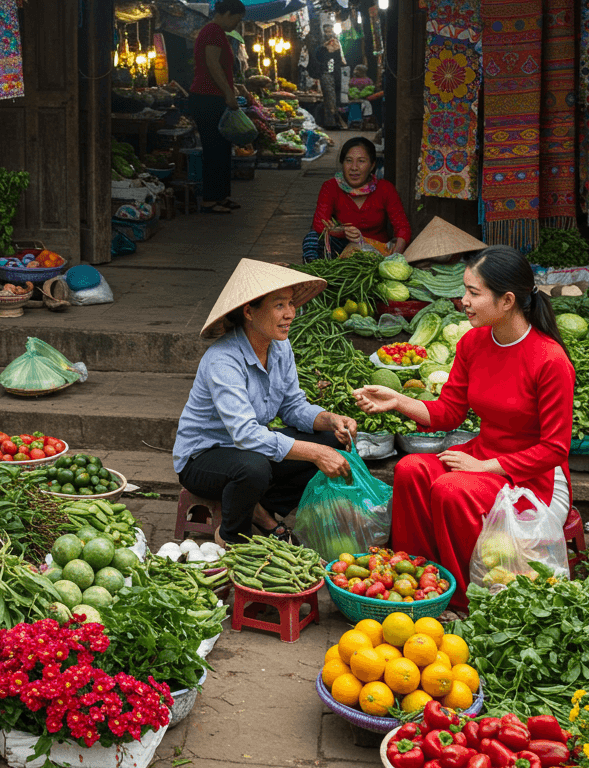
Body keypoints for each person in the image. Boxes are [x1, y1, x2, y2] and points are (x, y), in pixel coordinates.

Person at [353, 246, 575, 613]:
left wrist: (484, 468)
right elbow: (449, 413)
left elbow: (554, 450)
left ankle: (465, 600)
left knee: (450, 489)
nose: (464, 301)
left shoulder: (550, 361)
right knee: (410, 470)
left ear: (506, 301)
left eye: (474, 293)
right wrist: (397, 400)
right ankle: (419, 582)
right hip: (483, 455)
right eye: (465, 291)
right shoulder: (473, 342)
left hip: (535, 478)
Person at [174, 259, 359, 545]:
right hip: (203, 459)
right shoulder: (223, 359)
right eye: (279, 305)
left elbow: (293, 407)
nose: (290, 314)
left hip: (249, 450)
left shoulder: (280, 347)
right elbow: (246, 434)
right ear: (249, 311)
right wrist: (314, 453)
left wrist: (329, 419)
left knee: (332, 441)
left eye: (290, 304)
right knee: (254, 467)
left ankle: (260, 510)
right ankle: (231, 536)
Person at [302, 137, 411, 261]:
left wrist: (394, 258)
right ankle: (314, 275)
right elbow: (319, 224)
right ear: (342, 163)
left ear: (372, 165)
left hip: (377, 251)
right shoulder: (331, 187)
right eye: (349, 160)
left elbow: (402, 228)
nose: (354, 167)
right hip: (343, 249)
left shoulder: (385, 188)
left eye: (361, 161)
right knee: (312, 239)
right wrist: (342, 231)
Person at [189, 0, 246, 215]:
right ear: (228, 13)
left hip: (213, 97)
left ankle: (221, 196)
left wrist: (233, 88)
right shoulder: (212, 31)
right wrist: (228, 93)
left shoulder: (218, 32)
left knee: (222, 148)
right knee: (213, 148)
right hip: (207, 98)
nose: (237, 25)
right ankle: (209, 200)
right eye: (237, 19)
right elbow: (212, 64)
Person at [311, 33, 346, 129]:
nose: (332, 41)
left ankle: (334, 122)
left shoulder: (338, 50)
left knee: (335, 99)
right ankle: (331, 123)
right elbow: (319, 57)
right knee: (330, 99)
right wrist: (325, 47)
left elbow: (340, 61)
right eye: (330, 39)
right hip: (326, 75)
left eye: (333, 39)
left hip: (336, 75)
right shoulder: (322, 50)